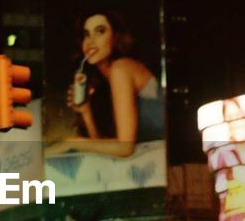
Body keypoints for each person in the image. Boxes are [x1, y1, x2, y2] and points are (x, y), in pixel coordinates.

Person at [47, 10, 161, 159]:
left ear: (115, 37)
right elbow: (104, 148)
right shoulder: (104, 82)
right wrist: (86, 112)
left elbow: (125, 147)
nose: (90, 42)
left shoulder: (121, 69)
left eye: (100, 31)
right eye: (86, 34)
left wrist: (71, 143)